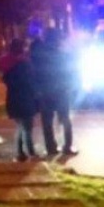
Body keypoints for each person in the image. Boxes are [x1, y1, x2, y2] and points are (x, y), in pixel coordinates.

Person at [31, 27, 76, 156]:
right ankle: (67, 146)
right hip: (61, 91)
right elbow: (69, 72)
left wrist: (37, 91)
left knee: (47, 121)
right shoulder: (62, 54)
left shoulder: (38, 56)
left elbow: (34, 74)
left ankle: (51, 147)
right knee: (65, 119)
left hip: (45, 92)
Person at [0, 38, 39, 162]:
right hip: (25, 98)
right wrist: (36, 94)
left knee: (21, 126)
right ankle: (31, 152)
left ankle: (20, 152)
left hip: (13, 98)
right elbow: (29, 82)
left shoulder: (7, 64)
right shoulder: (24, 64)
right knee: (27, 127)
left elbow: (7, 80)